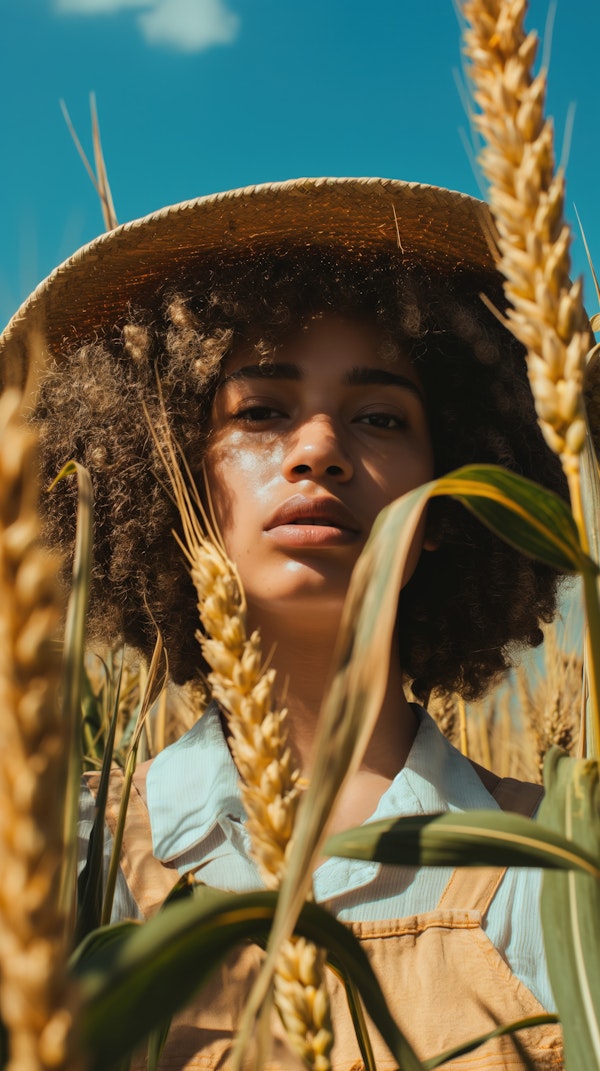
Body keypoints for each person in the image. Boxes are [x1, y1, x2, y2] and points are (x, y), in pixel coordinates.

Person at [0, 177, 568, 1069]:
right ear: (167, 480)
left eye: (380, 417)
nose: (320, 450)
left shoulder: (560, 870)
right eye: (261, 412)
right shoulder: (64, 859)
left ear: (454, 502)